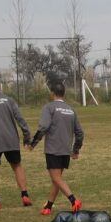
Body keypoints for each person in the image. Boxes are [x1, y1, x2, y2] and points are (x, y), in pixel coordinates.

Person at [29, 81, 84, 214]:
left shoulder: (49, 107)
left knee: (56, 178)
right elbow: (80, 133)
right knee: (57, 180)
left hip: (53, 149)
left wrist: (33, 143)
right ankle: (48, 207)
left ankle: (73, 200)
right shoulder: (71, 110)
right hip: (65, 150)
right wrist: (75, 150)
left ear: (52, 93)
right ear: (63, 94)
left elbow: (43, 127)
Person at [0, 74, 32, 210]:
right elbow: (20, 119)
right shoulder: (9, 100)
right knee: (17, 166)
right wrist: (26, 136)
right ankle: (25, 195)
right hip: (10, 139)